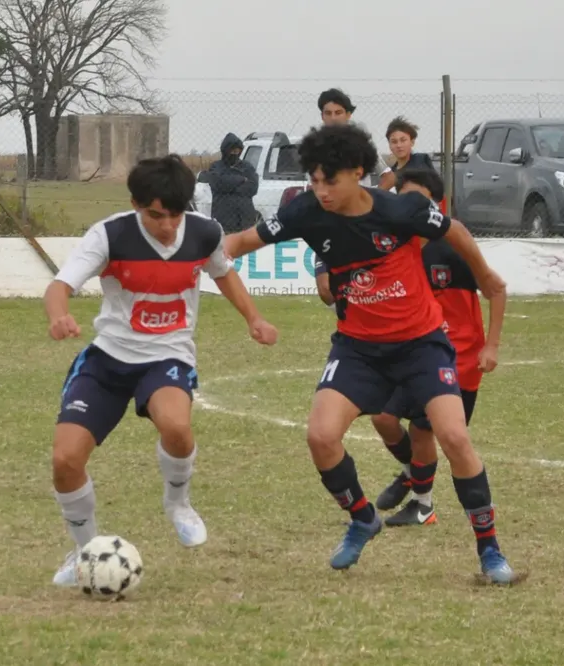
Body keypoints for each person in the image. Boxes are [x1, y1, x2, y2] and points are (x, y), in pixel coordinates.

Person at [223, 124, 520, 585]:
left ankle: (490, 552)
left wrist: (485, 274)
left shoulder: (401, 209)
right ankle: (362, 518)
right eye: (314, 180)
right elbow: (239, 243)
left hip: (422, 346)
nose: (320, 191)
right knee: (321, 437)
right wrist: (197, 253)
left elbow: (455, 230)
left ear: (358, 172)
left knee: (454, 438)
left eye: (330, 181)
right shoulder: (305, 211)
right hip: (358, 349)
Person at [43, 154, 279, 587]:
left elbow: (223, 274)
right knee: (65, 459)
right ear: (135, 204)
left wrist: (254, 318)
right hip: (107, 360)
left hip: (168, 356)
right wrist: (59, 314)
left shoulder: (205, 233)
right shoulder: (110, 234)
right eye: (155, 215)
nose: (167, 226)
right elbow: (60, 285)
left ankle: (178, 504)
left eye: (174, 215)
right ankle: (85, 553)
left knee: (177, 427)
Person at [364, 168, 504, 527]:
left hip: (459, 358)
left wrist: (491, 346)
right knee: (382, 416)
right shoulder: (393, 246)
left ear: (435, 204)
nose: (407, 205)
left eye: (417, 199)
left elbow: (496, 289)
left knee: (427, 430)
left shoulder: (453, 247)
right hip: (413, 351)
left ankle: (422, 504)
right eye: (402, 197)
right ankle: (414, 473)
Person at [317, 88, 395, 191]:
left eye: (338, 112)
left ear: (348, 115)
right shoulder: (315, 146)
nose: (333, 118)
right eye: (328, 113)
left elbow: (389, 177)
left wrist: (371, 200)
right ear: (322, 116)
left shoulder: (361, 144)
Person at [198, 133, 259, 232]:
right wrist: (241, 179)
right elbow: (218, 183)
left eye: (237, 150)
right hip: (224, 220)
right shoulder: (216, 167)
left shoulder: (247, 167)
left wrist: (229, 188)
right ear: (225, 151)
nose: (235, 153)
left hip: (245, 219)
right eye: (232, 150)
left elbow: (253, 187)